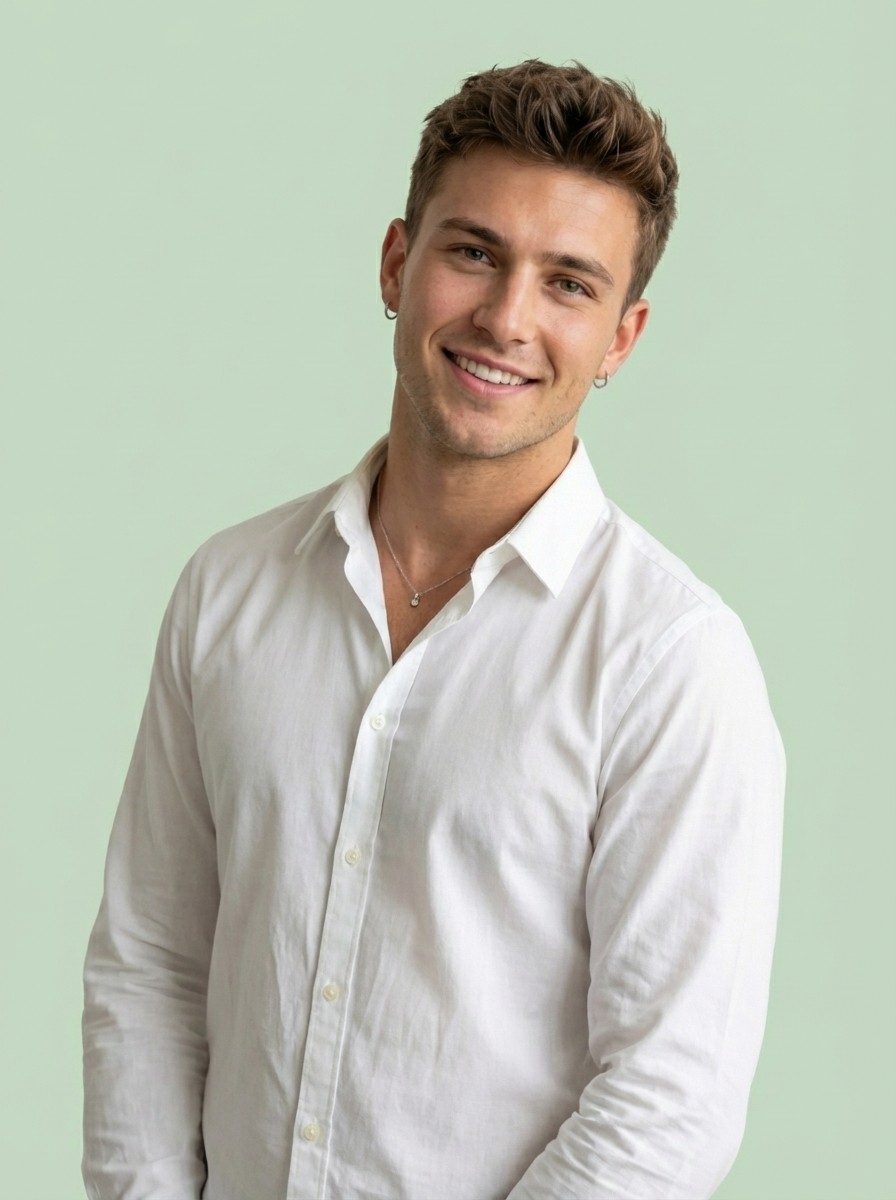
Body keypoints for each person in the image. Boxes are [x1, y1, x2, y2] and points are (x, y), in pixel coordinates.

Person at [82, 60, 785, 1200]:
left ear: (620, 338)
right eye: (473, 253)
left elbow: (670, 1090)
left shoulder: (671, 662)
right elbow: (152, 967)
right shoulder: (228, 591)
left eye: (567, 284)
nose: (507, 318)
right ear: (395, 262)